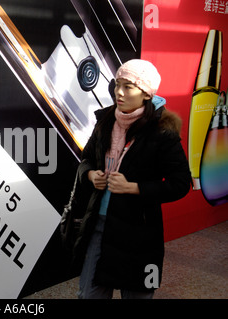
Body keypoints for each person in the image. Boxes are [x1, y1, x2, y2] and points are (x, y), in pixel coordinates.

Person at [72, 59, 192, 299]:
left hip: (140, 232)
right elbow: (86, 159)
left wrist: (135, 188)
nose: (119, 92)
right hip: (99, 226)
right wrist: (90, 174)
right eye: (118, 84)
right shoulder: (105, 120)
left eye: (128, 87)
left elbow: (181, 183)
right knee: (88, 295)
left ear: (146, 93)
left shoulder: (162, 130)